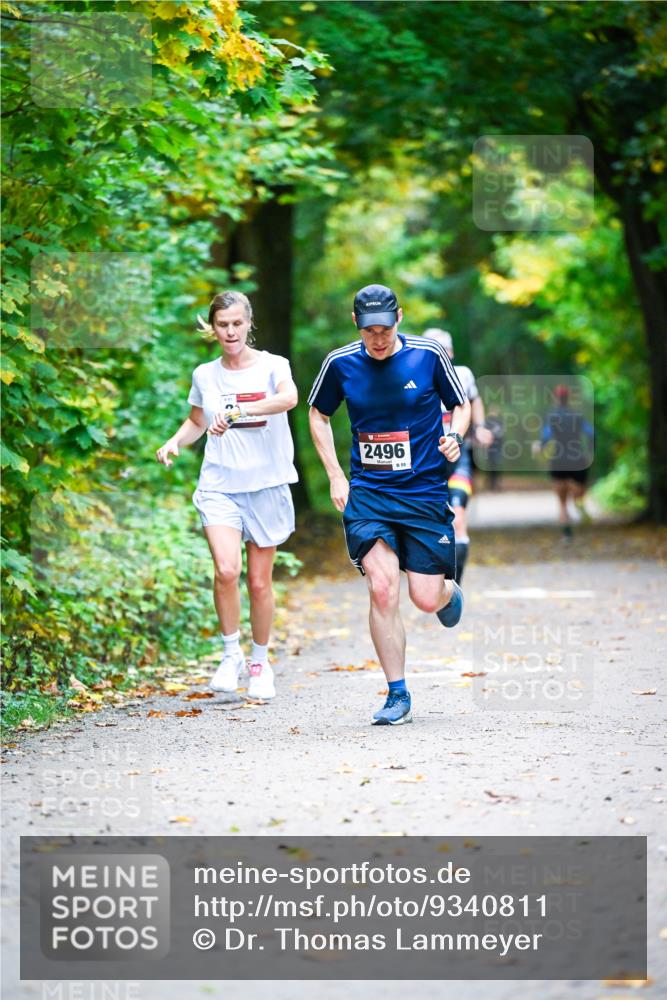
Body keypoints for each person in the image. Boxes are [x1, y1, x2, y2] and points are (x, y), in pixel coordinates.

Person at [308, 284, 471, 726]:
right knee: (382, 588)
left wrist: (454, 436)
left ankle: (448, 592)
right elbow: (317, 414)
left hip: (423, 492)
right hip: (370, 493)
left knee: (425, 597)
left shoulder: (428, 355)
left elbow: (460, 404)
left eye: (384, 329)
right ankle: (397, 693)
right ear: (356, 324)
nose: (377, 339)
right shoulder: (340, 363)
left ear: (399, 318)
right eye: (368, 331)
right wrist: (335, 474)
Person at [156, 290, 298, 699]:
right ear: (212, 328)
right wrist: (175, 441)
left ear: (249, 324)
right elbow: (197, 420)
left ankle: (260, 663)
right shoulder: (205, 375)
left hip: (266, 484)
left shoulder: (273, 365)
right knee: (226, 570)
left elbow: (289, 398)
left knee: (259, 582)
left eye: (237, 323)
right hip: (220, 485)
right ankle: (230, 653)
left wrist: (240, 411)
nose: (231, 331)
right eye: (223, 325)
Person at [422, 329, 493, 584]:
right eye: (432, 350)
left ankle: (454, 587)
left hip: (458, 457)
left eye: (442, 350)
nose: (438, 355)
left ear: (451, 353)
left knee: (458, 516)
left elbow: (474, 400)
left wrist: (481, 427)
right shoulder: (413, 376)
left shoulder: (463, 374)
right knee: (431, 522)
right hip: (425, 462)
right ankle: (434, 579)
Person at [534, 383, 594, 540]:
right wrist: (590, 451)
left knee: (562, 502)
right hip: (577, 458)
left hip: (559, 459)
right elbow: (591, 433)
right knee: (578, 491)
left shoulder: (552, 417)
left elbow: (546, 436)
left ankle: (567, 533)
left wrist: (539, 446)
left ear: (556, 398)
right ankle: (579, 503)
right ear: (568, 398)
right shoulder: (577, 416)